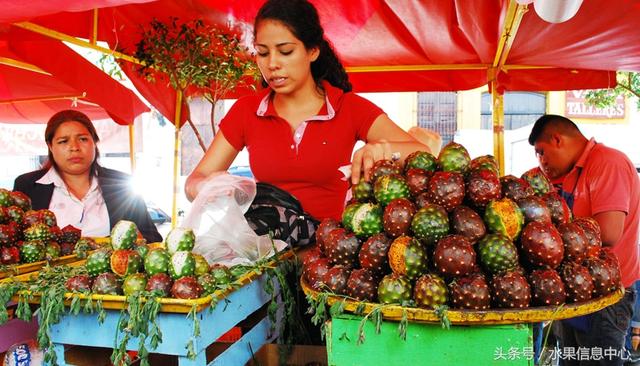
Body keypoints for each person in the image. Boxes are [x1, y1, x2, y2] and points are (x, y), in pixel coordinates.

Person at [184, 0, 439, 223]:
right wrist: (209, 186)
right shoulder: (246, 111)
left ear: (313, 51)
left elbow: (424, 152)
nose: (272, 64)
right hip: (267, 256)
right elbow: (194, 181)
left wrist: (383, 149)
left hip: (329, 257)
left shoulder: (349, 107)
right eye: (263, 53)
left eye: (285, 51)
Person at [528, 114, 640, 366]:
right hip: (574, 290)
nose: (541, 161)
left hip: (606, 296)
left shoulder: (608, 163)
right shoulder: (567, 172)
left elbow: (609, 234)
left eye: (542, 152)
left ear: (557, 139)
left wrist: (549, 240)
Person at [13, 110, 162, 243]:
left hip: (109, 273)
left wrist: (137, 240)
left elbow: (152, 237)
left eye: (83, 139)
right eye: (63, 141)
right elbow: (14, 240)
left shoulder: (122, 184)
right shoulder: (27, 185)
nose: (74, 147)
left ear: (94, 142)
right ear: (51, 146)